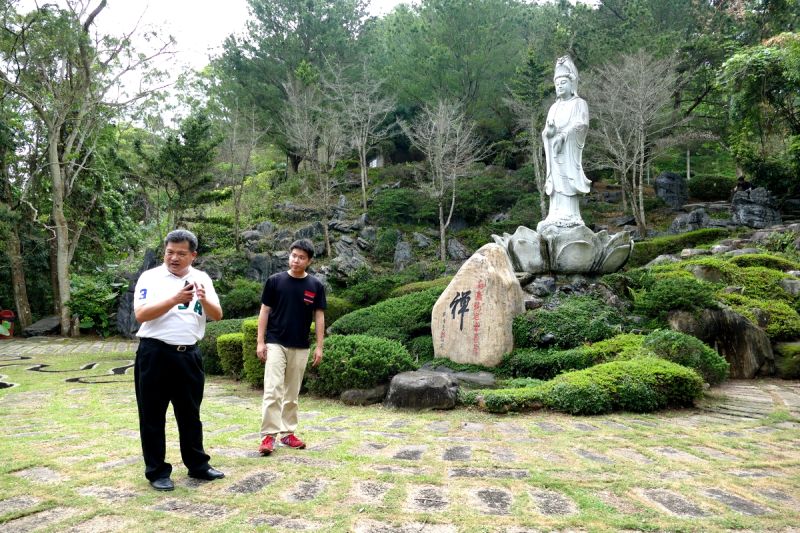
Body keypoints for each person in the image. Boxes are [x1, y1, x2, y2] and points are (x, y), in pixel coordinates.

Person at [133, 229, 225, 491]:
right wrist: (175, 299)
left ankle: (198, 465)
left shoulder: (202, 279)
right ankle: (157, 471)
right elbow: (141, 314)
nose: (174, 258)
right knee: (152, 415)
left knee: (190, 414)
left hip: (189, 356)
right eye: (170, 252)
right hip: (155, 353)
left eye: (181, 253)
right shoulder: (150, 278)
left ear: (193, 255)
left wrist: (205, 300)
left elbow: (217, 315)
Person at [257, 238, 326, 456]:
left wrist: (319, 347)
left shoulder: (315, 286)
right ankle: (268, 436)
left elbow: (319, 316)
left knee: (292, 393)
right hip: (276, 342)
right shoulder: (275, 281)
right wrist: (260, 341)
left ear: (309, 261)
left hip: (301, 345)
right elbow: (264, 311)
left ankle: (288, 433)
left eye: (301, 257)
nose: (296, 260)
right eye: (293, 255)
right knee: (273, 389)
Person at [537, 55, 592, 232]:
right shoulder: (553, 108)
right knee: (556, 182)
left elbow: (582, 125)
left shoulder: (579, 104)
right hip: (555, 154)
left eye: (563, 83)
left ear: (572, 84)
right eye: (557, 83)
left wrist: (564, 136)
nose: (559, 86)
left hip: (568, 152)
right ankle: (555, 213)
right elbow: (546, 132)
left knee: (567, 181)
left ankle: (570, 214)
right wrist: (551, 134)